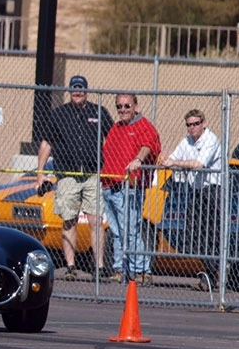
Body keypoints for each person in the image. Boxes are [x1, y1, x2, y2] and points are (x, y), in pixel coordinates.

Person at [35, 75, 114, 281]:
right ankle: (70, 266)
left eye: (81, 89)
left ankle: (99, 267)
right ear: (70, 91)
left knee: (96, 221)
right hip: (68, 175)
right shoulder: (59, 114)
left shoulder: (98, 112)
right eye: (74, 89)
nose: (78, 93)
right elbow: (46, 144)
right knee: (69, 220)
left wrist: (112, 166)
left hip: (92, 175)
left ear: (86, 91)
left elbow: (113, 139)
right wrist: (40, 173)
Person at [100, 93, 161, 285]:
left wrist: (138, 160)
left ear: (135, 106)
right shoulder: (116, 128)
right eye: (119, 106)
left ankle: (141, 271)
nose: (123, 110)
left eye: (127, 106)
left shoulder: (144, 126)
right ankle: (120, 269)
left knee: (131, 231)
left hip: (129, 188)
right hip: (109, 186)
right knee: (117, 232)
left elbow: (148, 146)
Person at [159, 109, 222, 289]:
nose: (192, 127)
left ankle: (214, 273)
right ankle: (212, 272)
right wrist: (166, 159)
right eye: (189, 125)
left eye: (196, 124)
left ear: (203, 124)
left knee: (211, 235)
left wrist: (174, 163)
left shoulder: (210, 139)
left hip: (213, 191)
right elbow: (172, 158)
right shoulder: (186, 141)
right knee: (193, 234)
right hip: (196, 191)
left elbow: (198, 164)